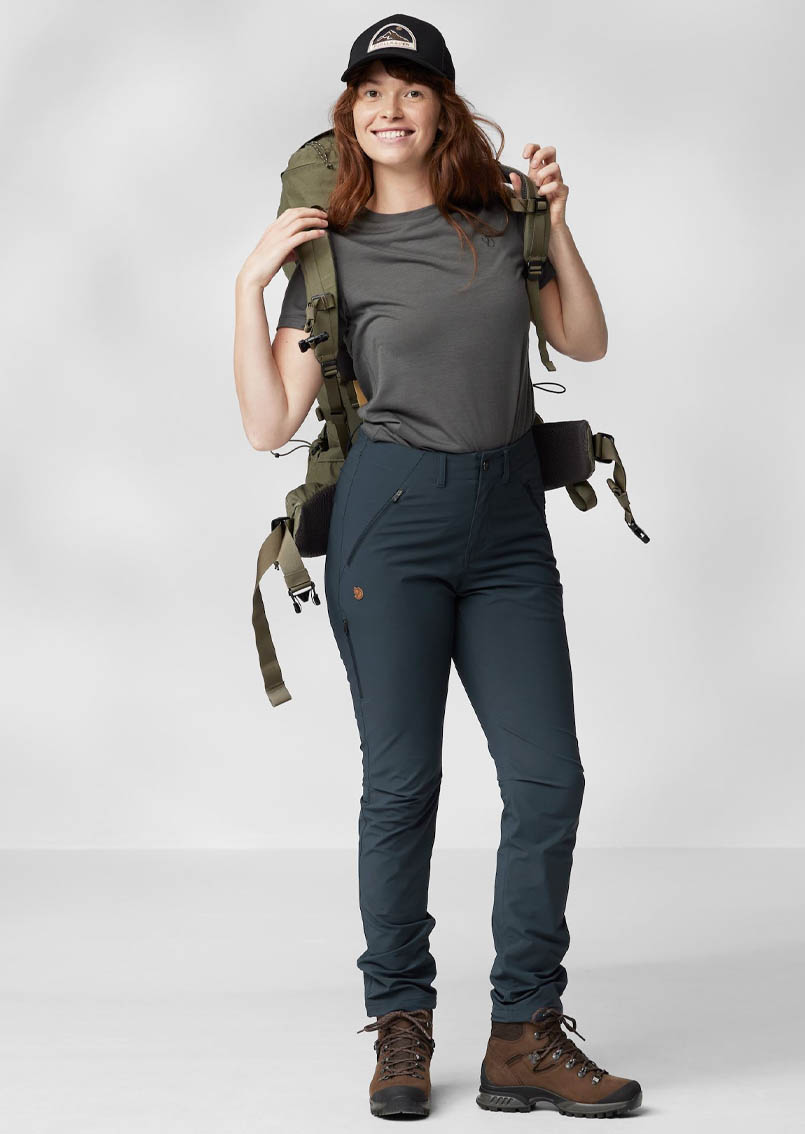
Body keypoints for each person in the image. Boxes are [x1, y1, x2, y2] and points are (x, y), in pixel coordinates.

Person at [233, 12, 642, 1121]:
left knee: (548, 779)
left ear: (442, 109)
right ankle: (401, 1024)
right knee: (404, 785)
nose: (390, 108)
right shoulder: (327, 253)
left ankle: (524, 1032)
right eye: (370, 91)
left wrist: (558, 221)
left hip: (508, 526)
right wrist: (246, 287)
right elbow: (268, 423)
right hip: (391, 521)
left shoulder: (501, 221)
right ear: (348, 115)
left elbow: (586, 339)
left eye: (411, 90)